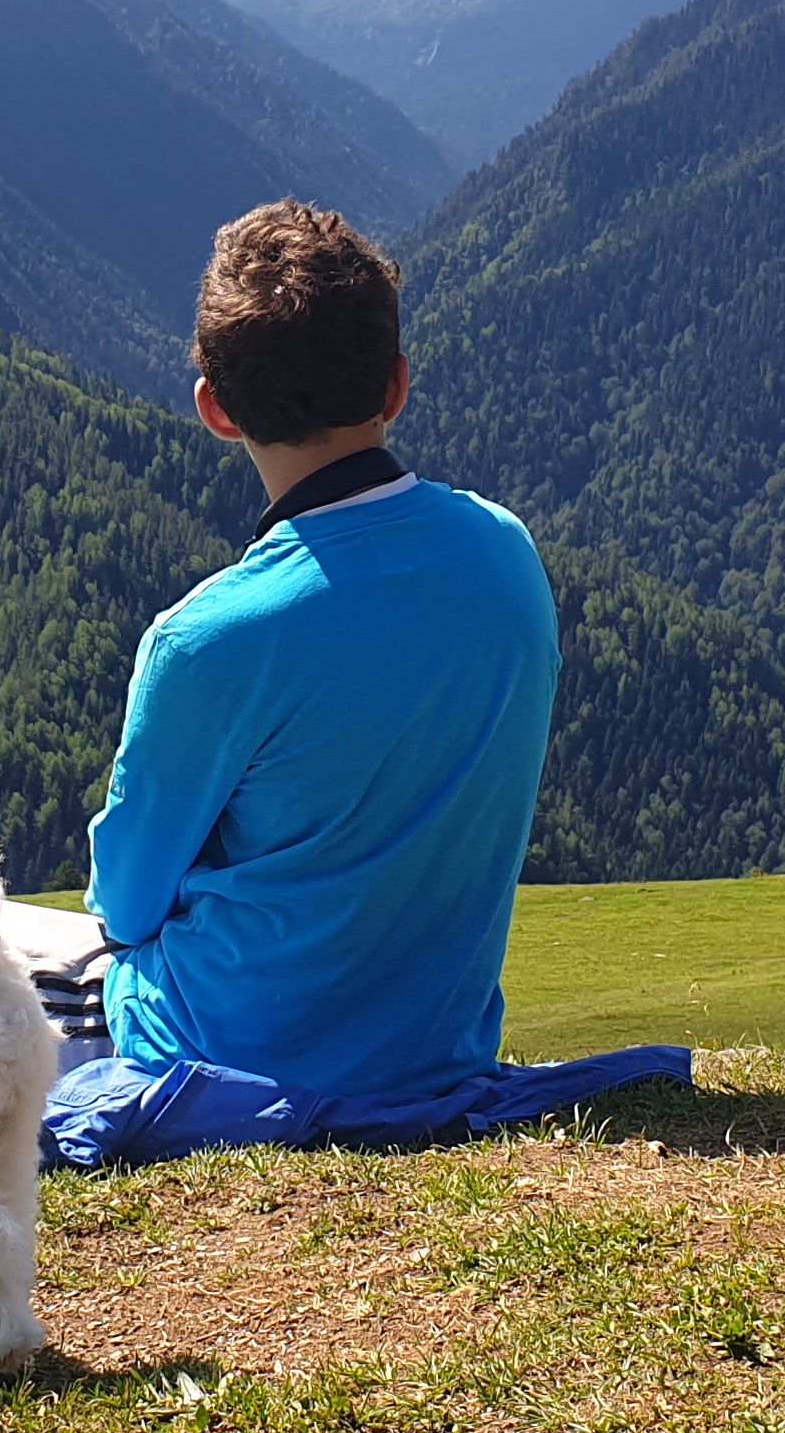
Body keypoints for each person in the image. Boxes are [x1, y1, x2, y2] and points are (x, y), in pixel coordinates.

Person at [77, 199, 560, 1102]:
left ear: (216, 410)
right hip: (435, 1055)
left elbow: (126, 906)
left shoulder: (205, 641)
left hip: (211, 1050)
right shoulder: (508, 558)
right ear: (396, 387)